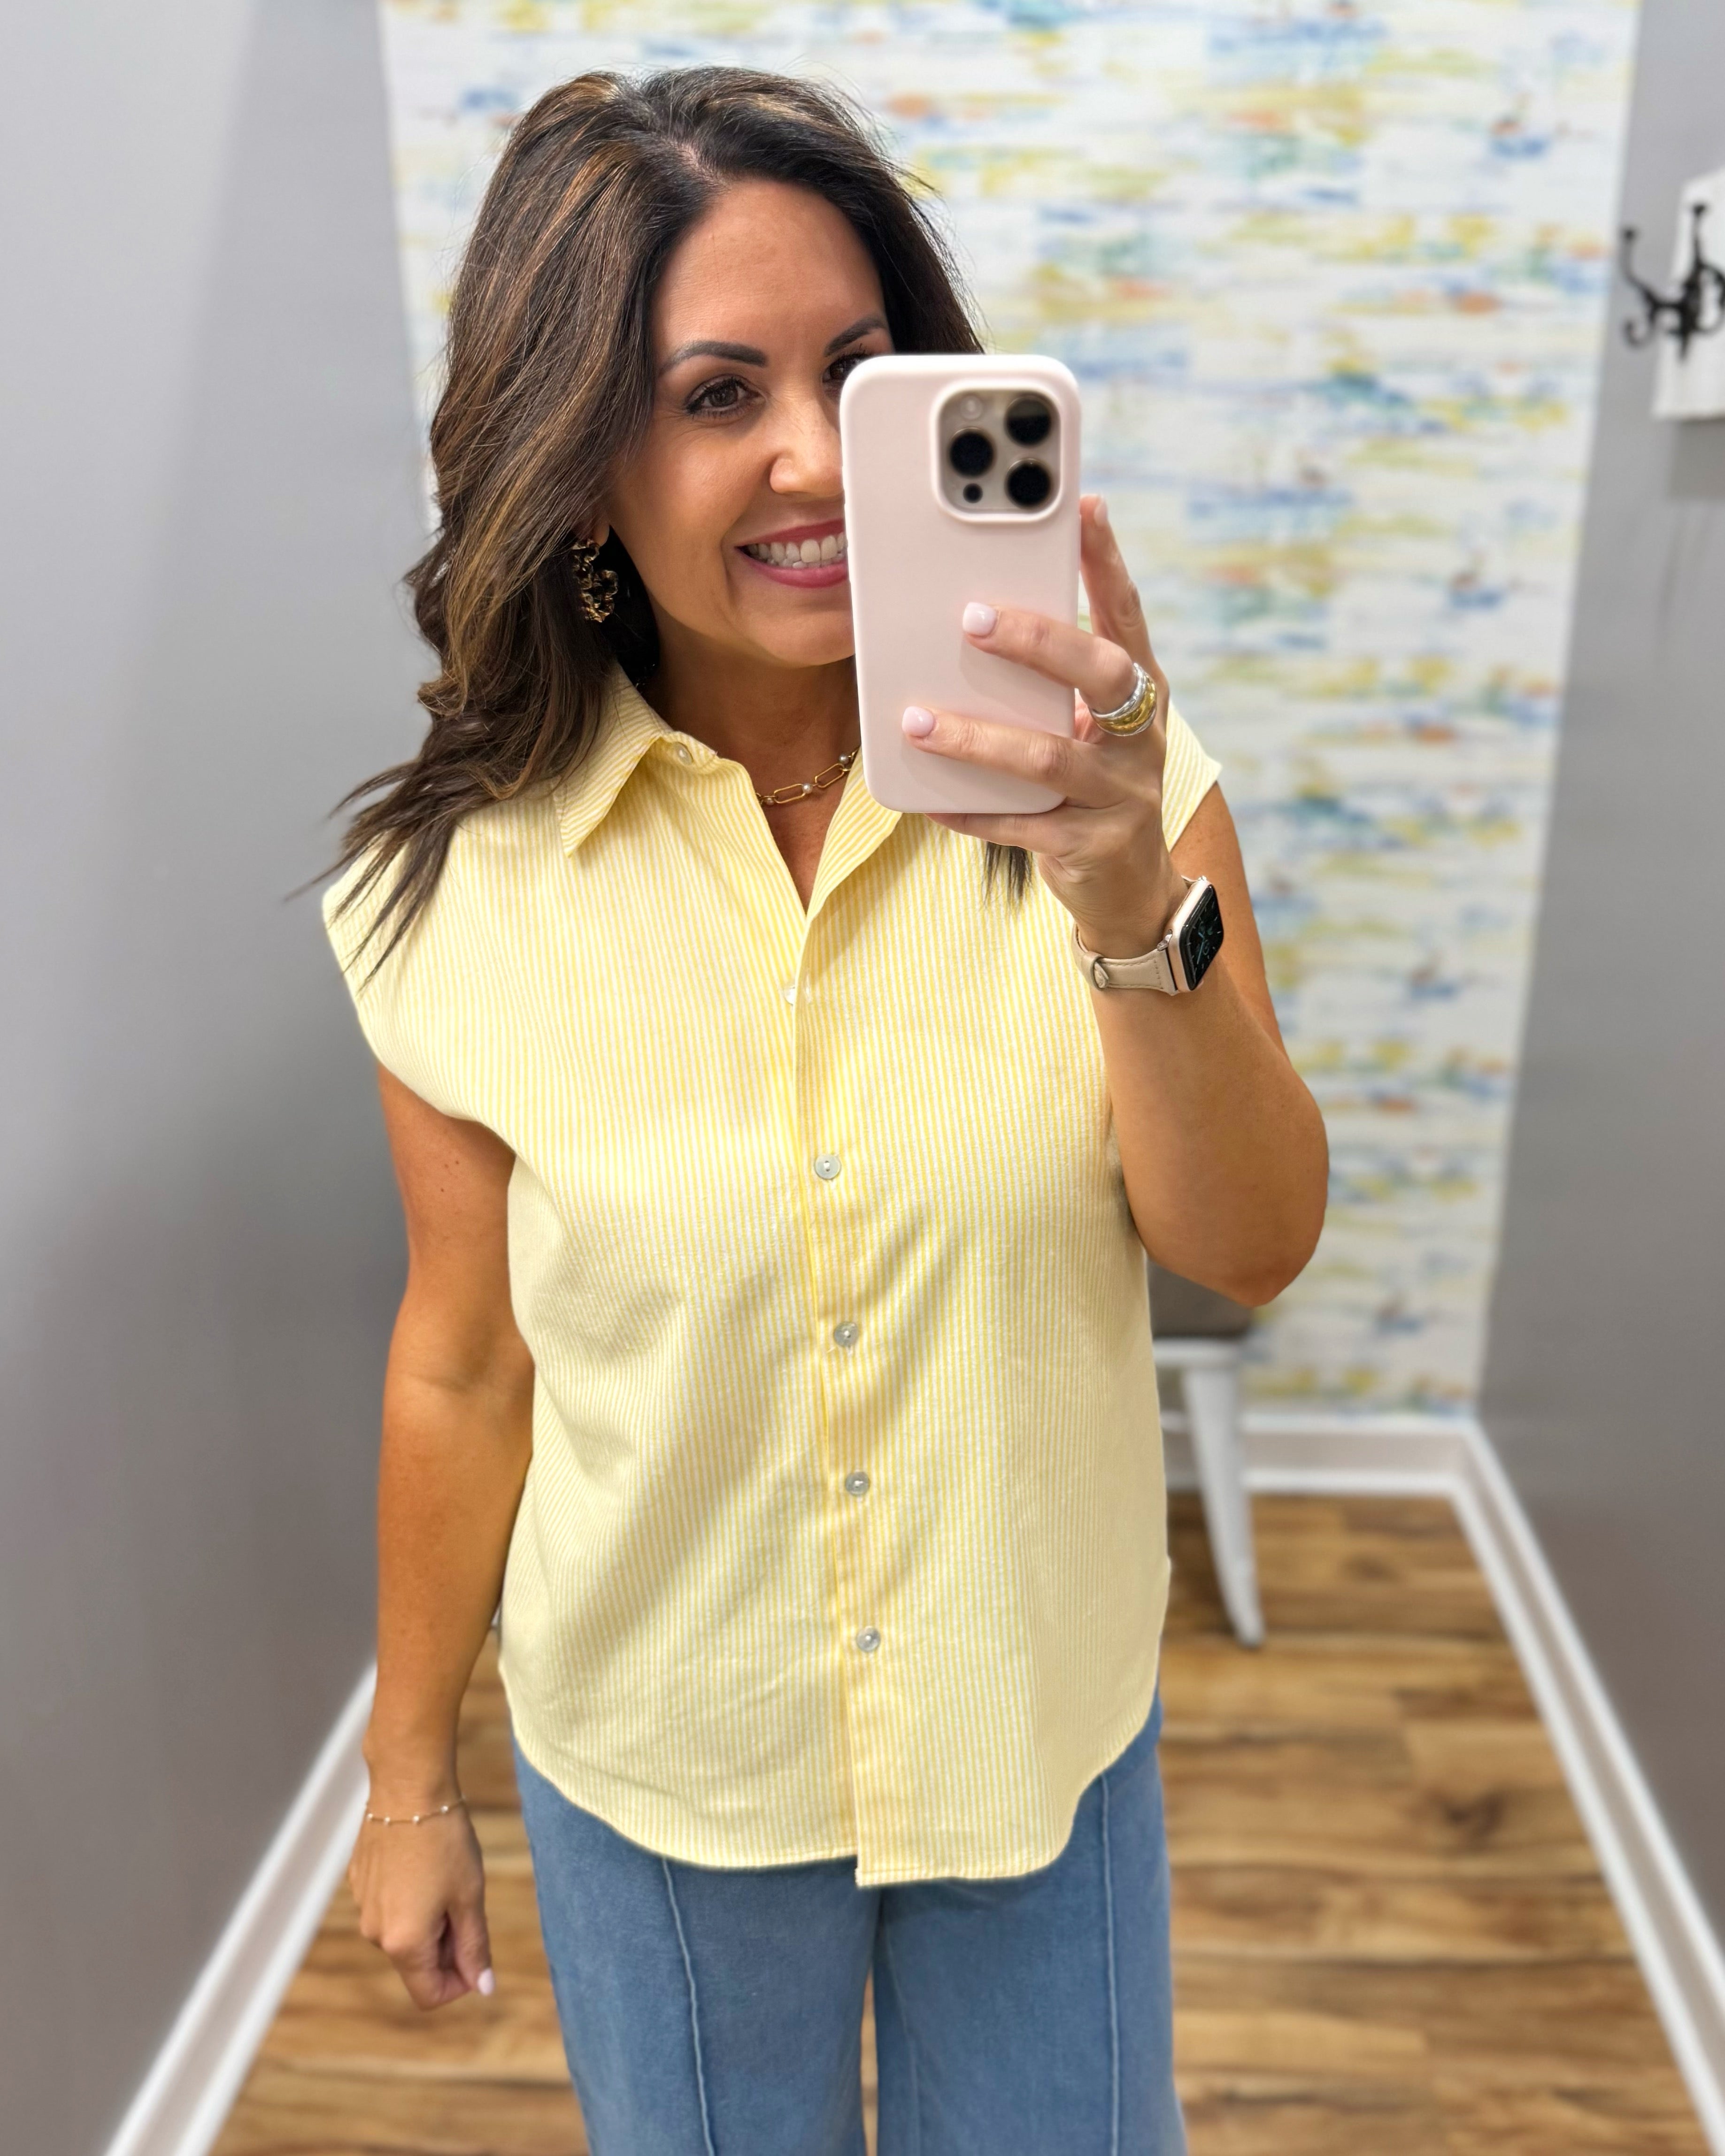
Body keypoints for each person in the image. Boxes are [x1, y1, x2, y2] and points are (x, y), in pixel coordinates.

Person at [321, 65, 1327, 2156]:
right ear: (575, 459)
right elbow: (464, 1363)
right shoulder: (453, 887)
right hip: (667, 1760)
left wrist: (1129, 898)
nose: (808, 460)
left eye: (861, 378)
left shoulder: (1117, 792)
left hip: (1027, 1732)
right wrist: (407, 1783)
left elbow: (1246, 1245)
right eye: (714, 394)